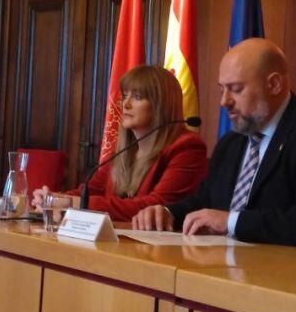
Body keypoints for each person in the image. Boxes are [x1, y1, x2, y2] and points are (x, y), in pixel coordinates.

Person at [132, 38, 296, 255]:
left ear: (274, 84)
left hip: (294, 281)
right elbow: (205, 201)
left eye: (236, 89)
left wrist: (232, 222)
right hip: (229, 271)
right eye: (221, 89)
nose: (224, 101)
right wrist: (167, 213)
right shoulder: (231, 143)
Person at [31, 65, 207, 221]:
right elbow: (90, 191)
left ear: (161, 105)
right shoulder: (124, 150)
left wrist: (73, 203)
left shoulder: (187, 148)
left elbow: (156, 207)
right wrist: (53, 199)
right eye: (125, 96)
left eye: (137, 97)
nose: (125, 104)